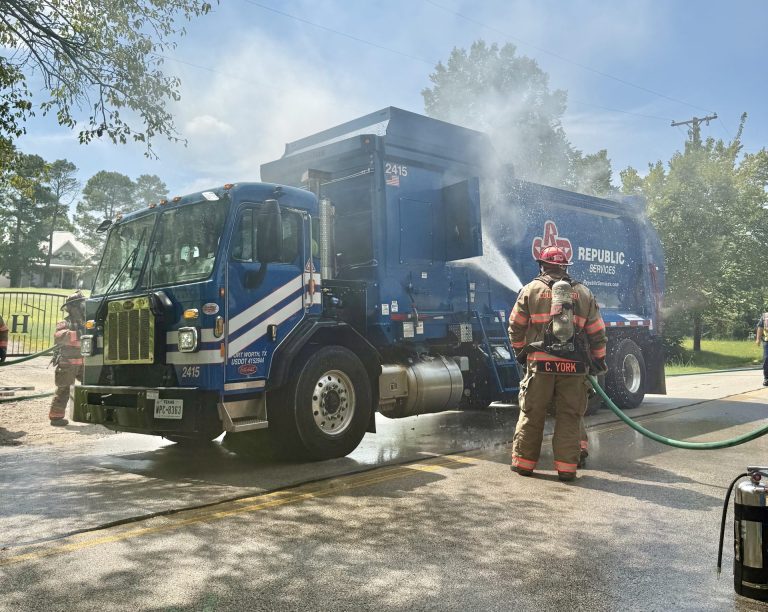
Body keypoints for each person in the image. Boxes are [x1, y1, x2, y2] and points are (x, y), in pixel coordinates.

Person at [508, 246, 607, 481]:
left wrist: (522, 352)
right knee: (569, 416)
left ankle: (524, 464)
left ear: (542, 265)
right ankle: (566, 469)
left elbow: (515, 326)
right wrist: (598, 359)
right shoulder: (583, 293)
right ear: (564, 267)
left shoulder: (530, 290)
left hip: (540, 366)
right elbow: (597, 332)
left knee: (532, 414)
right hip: (574, 368)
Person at [49, 291, 86, 426]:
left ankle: (89, 415)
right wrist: (81, 335)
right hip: (67, 363)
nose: (82, 308)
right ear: (72, 307)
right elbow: (60, 337)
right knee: (64, 389)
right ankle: (56, 417)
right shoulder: (64, 323)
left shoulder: (87, 322)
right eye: (79, 305)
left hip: (84, 363)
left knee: (91, 387)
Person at [756, 313, 768, 386]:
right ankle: (767, 378)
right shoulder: (765, 316)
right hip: (767, 341)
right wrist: (758, 339)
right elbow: (760, 327)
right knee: (767, 359)